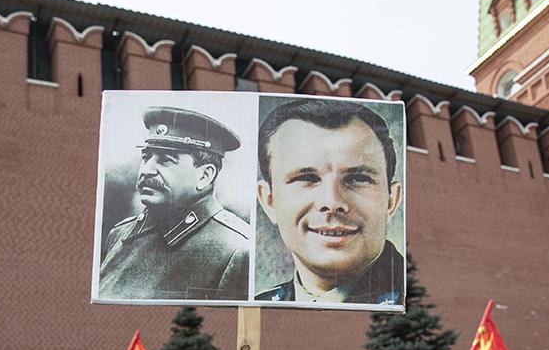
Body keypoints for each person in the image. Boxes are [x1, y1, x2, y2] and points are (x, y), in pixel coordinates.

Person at [255, 99, 405, 305]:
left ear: (391, 201)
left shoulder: (422, 298)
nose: (332, 202)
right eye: (307, 178)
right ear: (269, 201)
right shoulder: (262, 304)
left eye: (358, 178)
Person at [98, 106, 250, 301]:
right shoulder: (120, 234)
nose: (147, 170)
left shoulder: (237, 251)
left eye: (166, 160)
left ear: (205, 175)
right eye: (146, 157)